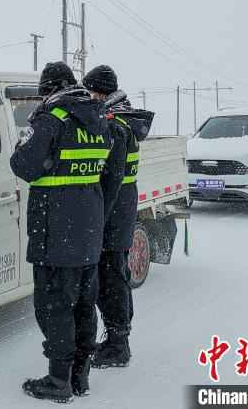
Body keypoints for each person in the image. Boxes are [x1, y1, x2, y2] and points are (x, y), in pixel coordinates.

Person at [10, 62, 125, 402]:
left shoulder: (52, 120)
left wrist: (27, 137)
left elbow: (23, 166)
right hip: (88, 230)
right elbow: (110, 176)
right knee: (83, 307)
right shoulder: (100, 122)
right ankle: (80, 375)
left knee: (54, 307)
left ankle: (58, 381)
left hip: (55, 232)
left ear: (48, 89)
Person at [82, 65, 154, 370]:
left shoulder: (115, 126)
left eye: (89, 91)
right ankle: (116, 338)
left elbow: (109, 181)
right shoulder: (125, 120)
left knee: (112, 281)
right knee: (114, 278)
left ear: (99, 91)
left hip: (112, 217)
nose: (87, 97)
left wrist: (96, 218)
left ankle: (117, 345)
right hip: (120, 214)